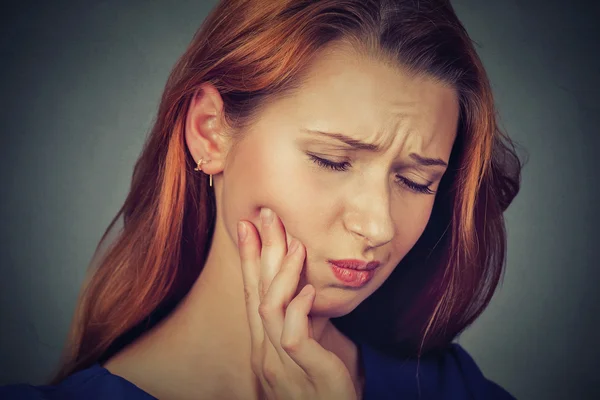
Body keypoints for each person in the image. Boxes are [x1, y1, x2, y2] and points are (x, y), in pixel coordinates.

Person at [0, 0, 523, 398]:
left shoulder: (452, 387)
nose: (379, 225)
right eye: (333, 161)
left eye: (415, 181)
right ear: (210, 133)